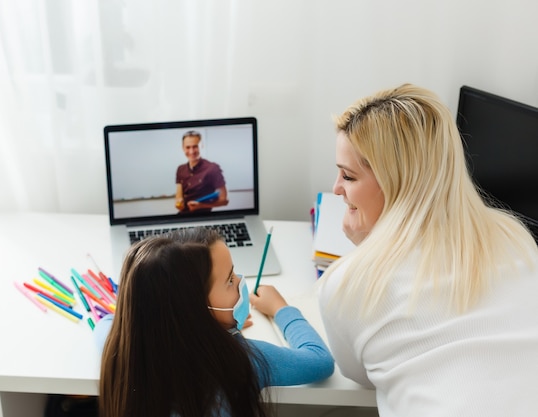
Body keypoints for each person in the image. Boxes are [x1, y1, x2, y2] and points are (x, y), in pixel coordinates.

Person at [317, 83, 538, 417]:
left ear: (396, 183)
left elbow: (359, 374)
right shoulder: (516, 238)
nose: (336, 189)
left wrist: (368, 250)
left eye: (348, 176)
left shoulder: (348, 284)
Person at [96, 227, 334, 417]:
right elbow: (320, 361)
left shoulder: (122, 347)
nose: (240, 280)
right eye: (230, 280)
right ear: (196, 309)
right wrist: (280, 309)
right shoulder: (242, 360)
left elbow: (106, 321)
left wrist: (208, 327)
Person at [175, 130, 229, 213]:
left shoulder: (213, 168)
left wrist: (201, 206)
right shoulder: (180, 169)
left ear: (202, 146)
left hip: (203, 218)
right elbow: (179, 198)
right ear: (183, 148)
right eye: (188, 147)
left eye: (195, 146)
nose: (191, 151)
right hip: (182, 218)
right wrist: (179, 204)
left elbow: (224, 200)